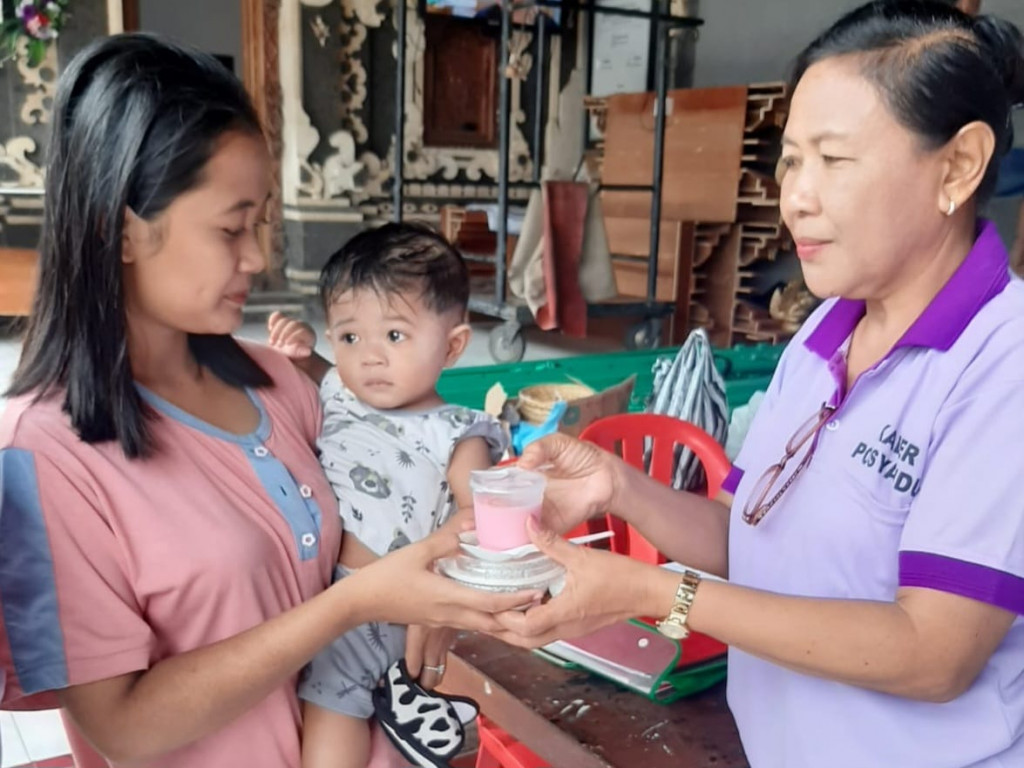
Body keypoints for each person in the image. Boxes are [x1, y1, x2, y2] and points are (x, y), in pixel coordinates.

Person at [494, 3, 1024, 767]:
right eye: (790, 161)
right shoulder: (824, 332)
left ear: (959, 166)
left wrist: (651, 595)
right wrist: (619, 487)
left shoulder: (1000, 364)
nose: (795, 197)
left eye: (834, 161)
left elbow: (931, 653)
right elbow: (746, 536)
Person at [0, 34, 534, 768]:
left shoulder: (279, 382)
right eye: (230, 228)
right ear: (120, 229)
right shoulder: (46, 453)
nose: (256, 258)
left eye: (260, 224)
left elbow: (412, 456)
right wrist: (358, 602)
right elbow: (120, 727)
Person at [266, 223, 506, 768]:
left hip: (402, 602)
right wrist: (301, 353)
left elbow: (479, 512)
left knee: (337, 708)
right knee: (341, 714)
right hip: (331, 600)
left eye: (394, 337)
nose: (370, 358)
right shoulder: (340, 394)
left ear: (453, 345)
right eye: (349, 337)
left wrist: (455, 543)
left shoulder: (458, 431)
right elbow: (325, 373)